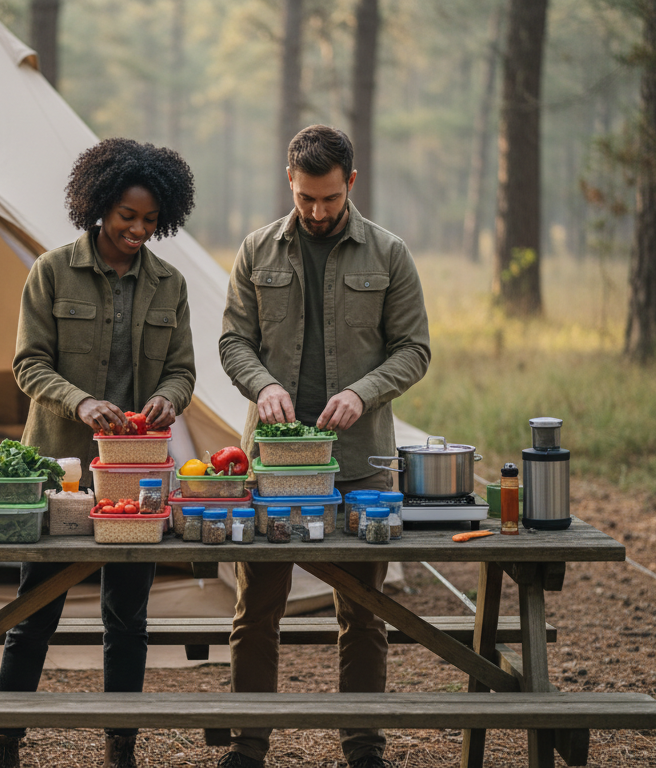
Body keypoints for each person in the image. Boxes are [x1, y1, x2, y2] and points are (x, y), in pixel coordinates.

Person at [216, 125, 430, 768]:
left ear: (351, 185)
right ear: (290, 181)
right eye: (306, 197)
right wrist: (263, 385)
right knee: (257, 611)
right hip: (273, 469)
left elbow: (415, 350)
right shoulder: (256, 251)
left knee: (363, 612)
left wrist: (363, 393)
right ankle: (249, 746)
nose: (316, 211)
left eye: (329, 199)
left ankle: (363, 747)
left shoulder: (390, 254)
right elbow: (234, 344)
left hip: (361, 464)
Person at [0, 137, 198, 768]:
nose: (138, 230)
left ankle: (120, 746)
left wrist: (167, 398)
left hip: (136, 475)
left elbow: (183, 371)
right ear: (99, 206)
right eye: (127, 217)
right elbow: (28, 364)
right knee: (35, 613)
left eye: (149, 220)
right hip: (59, 471)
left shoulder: (170, 285)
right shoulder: (51, 271)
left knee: (127, 617)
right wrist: (80, 403)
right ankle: (6, 740)